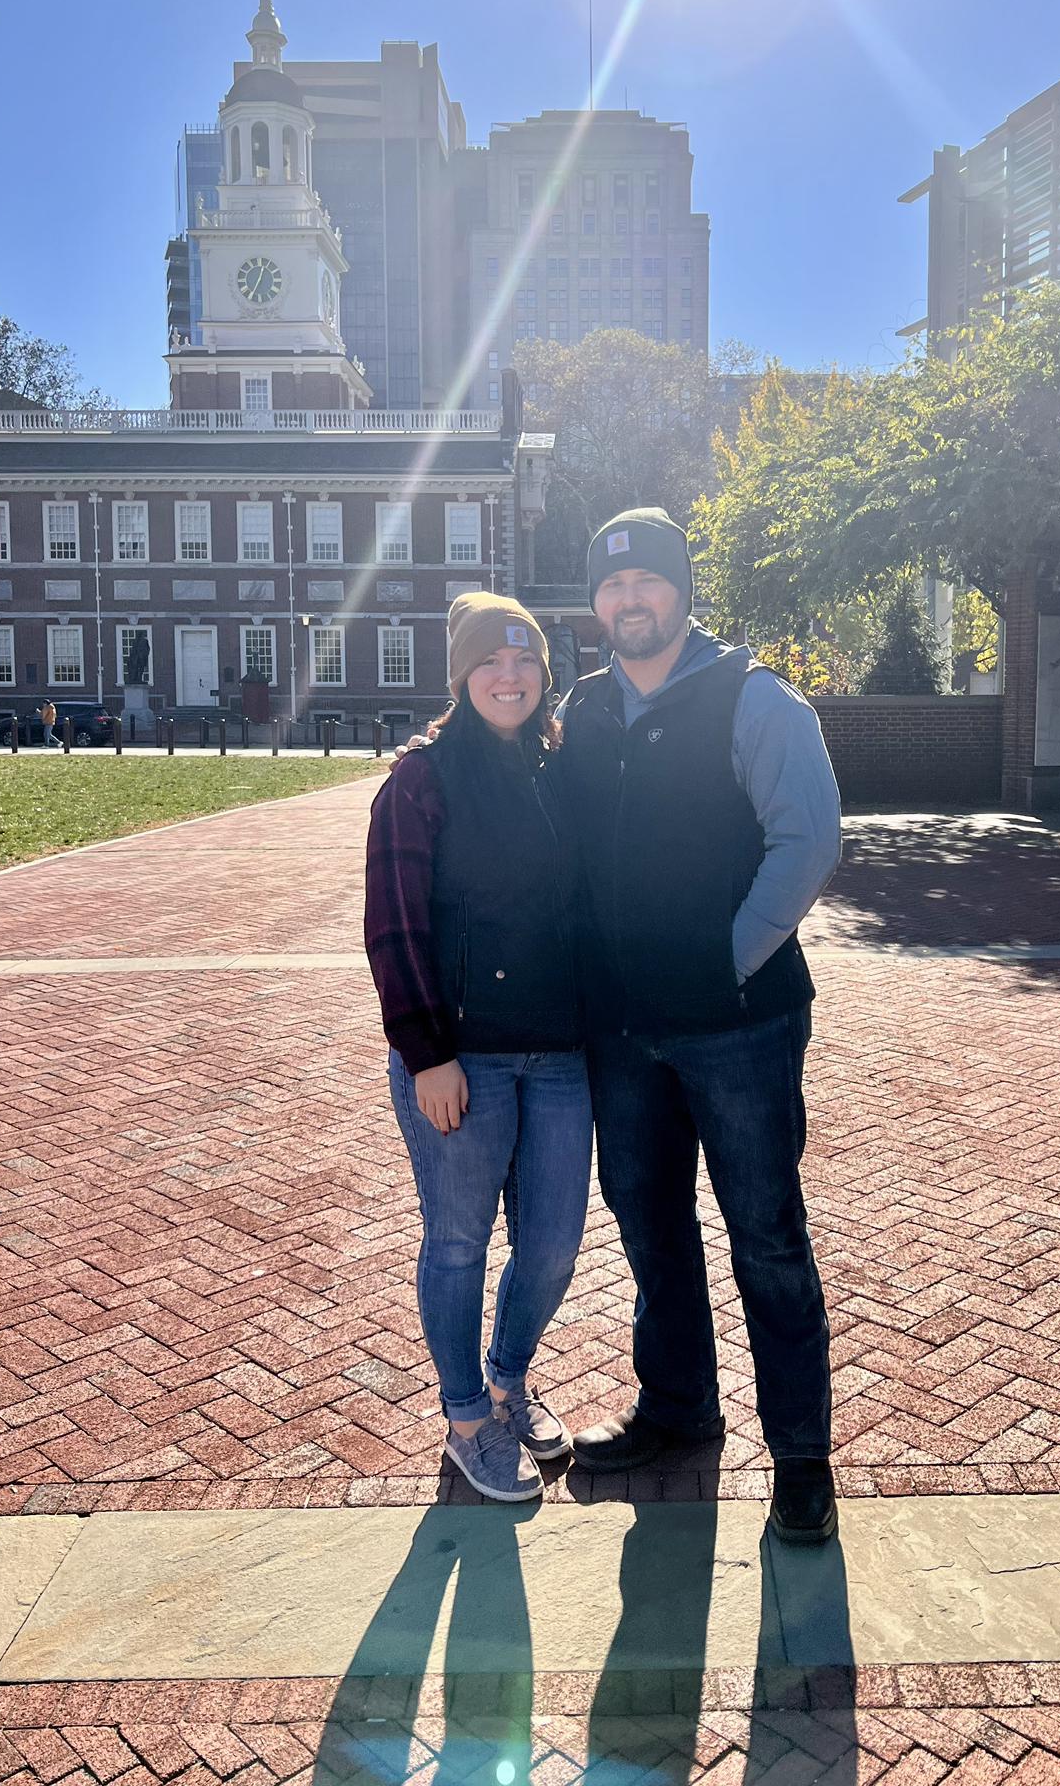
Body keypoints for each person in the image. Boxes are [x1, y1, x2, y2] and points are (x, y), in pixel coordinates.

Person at [556, 508, 844, 1545]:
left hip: (738, 1026)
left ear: (680, 589)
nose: (629, 600)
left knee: (766, 1235)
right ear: (597, 603)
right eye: (612, 586)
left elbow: (808, 840)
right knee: (651, 1229)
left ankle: (801, 1456)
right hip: (623, 1033)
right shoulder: (582, 711)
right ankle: (678, 1408)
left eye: (647, 582)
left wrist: (722, 961)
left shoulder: (755, 699)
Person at [364, 592, 592, 1504]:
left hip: (562, 1056)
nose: (511, 677)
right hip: (462, 1058)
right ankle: (466, 1418)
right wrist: (427, 1054)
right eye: (493, 663)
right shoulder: (420, 782)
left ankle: (508, 1376)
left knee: (554, 1245)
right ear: (462, 675)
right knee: (457, 1242)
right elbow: (394, 928)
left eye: (527, 662)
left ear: (544, 675)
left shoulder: (557, 768)